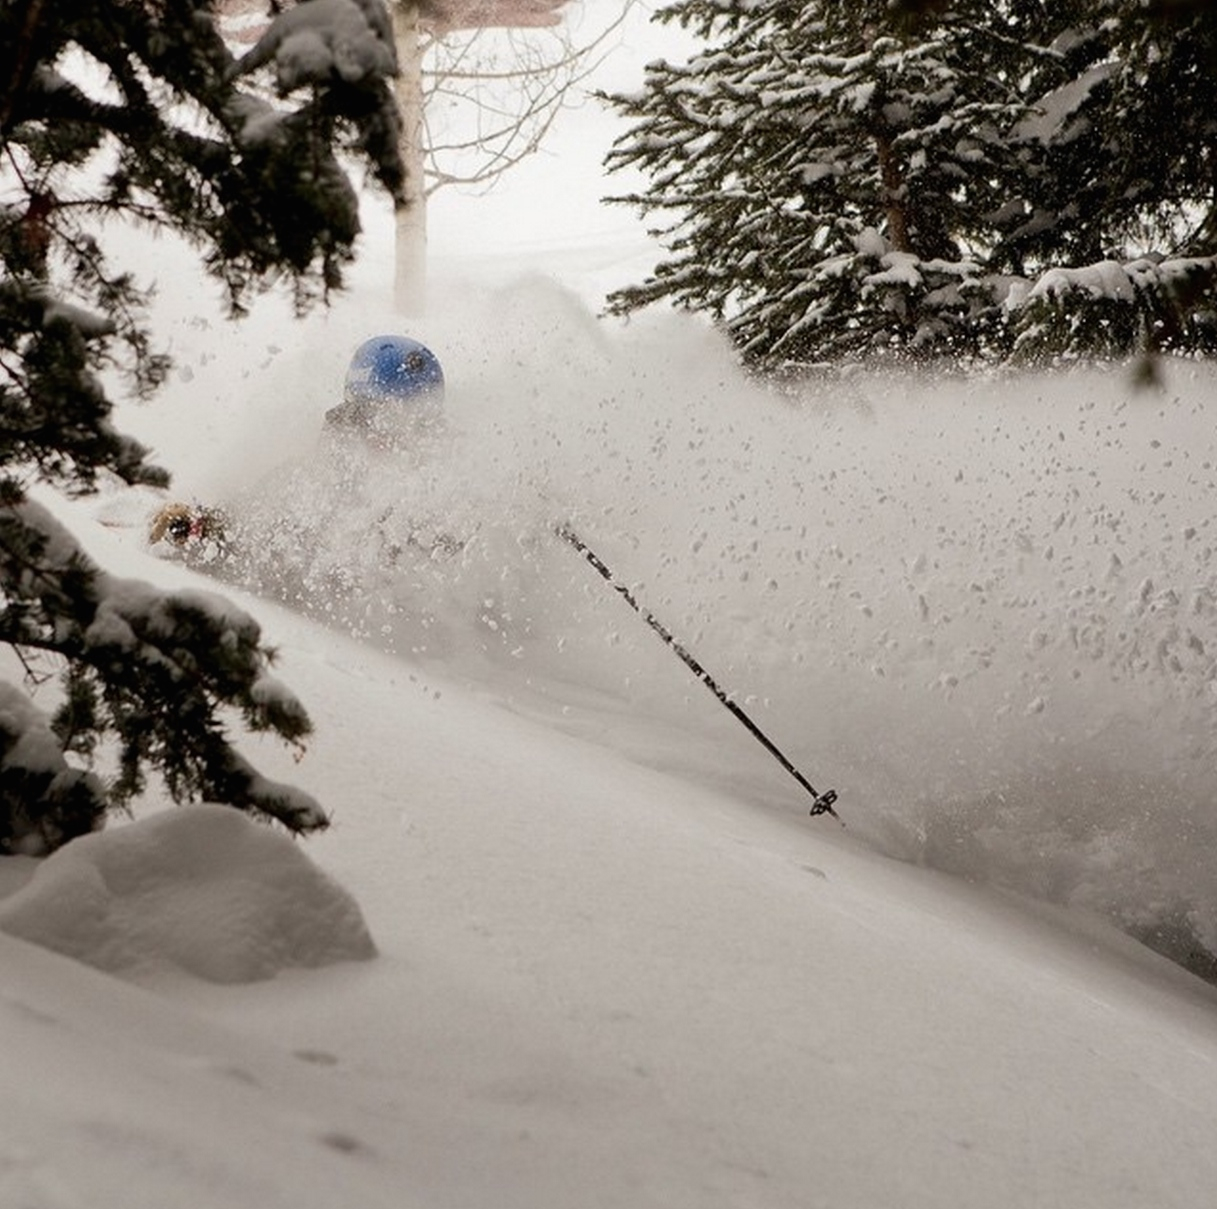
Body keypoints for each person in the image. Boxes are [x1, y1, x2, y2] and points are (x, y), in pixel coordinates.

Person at [149, 334, 445, 557]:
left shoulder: (442, 494)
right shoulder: (315, 481)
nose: (400, 435)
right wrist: (197, 526)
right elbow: (250, 522)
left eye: (418, 419)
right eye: (386, 417)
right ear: (356, 415)